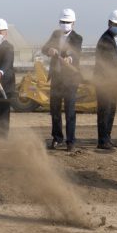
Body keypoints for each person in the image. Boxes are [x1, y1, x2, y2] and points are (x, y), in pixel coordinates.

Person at [41, 8, 83, 150]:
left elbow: (76, 53)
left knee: (70, 111)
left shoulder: (77, 38)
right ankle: (57, 138)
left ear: (73, 23)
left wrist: (69, 58)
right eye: (63, 22)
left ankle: (70, 141)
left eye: (68, 22)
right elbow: (44, 48)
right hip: (56, 78)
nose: (65, 24)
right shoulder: (55, 35)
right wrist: (49, 50)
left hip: (70, 80)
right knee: (55, 110)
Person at [94, 10, 117, 150]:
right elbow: (111, 61)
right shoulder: (106, 40)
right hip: (104, 82)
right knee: (104, 111)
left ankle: (107, 138)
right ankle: (102, 141)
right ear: (109, 23)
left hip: (112, 82)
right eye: (116, 24)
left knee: (111, 110)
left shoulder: (115, 39)